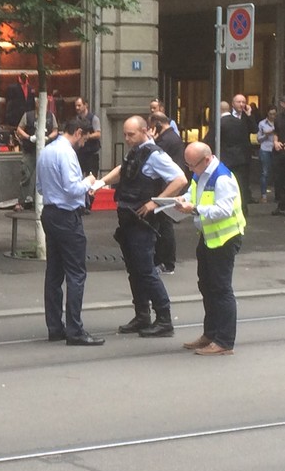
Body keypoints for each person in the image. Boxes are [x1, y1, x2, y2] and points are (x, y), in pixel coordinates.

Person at [100, 116, 188, 338]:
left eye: (131, 134)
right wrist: (101, 183)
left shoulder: (155, 154)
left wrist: (155, 201)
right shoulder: (136, 151)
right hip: (129, 220)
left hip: (143, 222)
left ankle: (164, 319)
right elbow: (123, 170)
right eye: (125, 134)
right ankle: (142, 316)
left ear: (145, 131)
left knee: (146, 270)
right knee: (134, 271)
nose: (127, 139)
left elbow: (180, 179)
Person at [35, 117, 104, 346]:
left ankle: (55, 327)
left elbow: (39, 187)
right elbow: (73, 188)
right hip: (66, 216)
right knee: (76, 274)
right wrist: (89, 182)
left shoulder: (46, 151)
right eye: (84, 137)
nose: (84, 142)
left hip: (50, 213)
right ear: (78, 132)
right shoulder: (66, 153)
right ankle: (75, 330)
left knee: (54, 273)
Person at [174, 142, 246, 355]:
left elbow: (223, 210)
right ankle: (211, 334)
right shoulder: (201, 173)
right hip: (208, 237)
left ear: (206, 159)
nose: (189, 169)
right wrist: (183, 200)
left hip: (225, 239)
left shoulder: (222, 178)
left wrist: (194, 208)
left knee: (221, 289)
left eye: (191, 165)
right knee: (206, 286)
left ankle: (224, 341)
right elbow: (193, 193)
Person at [149, 110, 186, 275]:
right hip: (168, 185)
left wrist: (151, 140)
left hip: (167, 187)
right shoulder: (170, 137)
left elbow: (153, 154)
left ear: (157, 124)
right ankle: (164, 260)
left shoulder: (166, 140)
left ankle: (167, 262)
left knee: (165, 225)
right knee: (163, 224)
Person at [203, 95, 253, 215]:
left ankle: (228, 206)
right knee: (240, 184)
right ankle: (242, 208)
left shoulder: (219, 123)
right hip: (240, 158)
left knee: (225, 184)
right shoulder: (239, 122)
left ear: (219, 111)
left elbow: (209, 140)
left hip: (225, 158)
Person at [14, 105, 57, 210]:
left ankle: (44, 202)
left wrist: (48, 137)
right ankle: (21, 202)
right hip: (30, 150)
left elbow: (55, 130)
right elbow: (19, 129)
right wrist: (29, 137)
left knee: (46, 176)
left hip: (46, 150)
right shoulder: (28, 115)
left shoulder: (51, 116)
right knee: (26, 174)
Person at [73, 96, 101, 212]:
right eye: (76, 106)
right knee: (79, 177)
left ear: (86, 105)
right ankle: (81, 204)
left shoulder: (94, 118)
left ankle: (89, 204)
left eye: (79, 105)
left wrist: (87, 136)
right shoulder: (76, 119)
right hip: (80, 153)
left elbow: (98, 134)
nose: (77, 108)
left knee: (91, 177)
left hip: (91, 153)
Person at [256, 106, 277, 204]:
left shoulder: (279, 122)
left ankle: (278, 195)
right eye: (271, 114)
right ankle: (263, 195)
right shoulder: (262, 123)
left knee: (278, 172)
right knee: (265, 173)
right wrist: (267, 134)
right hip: (265, 149)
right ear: (267, 114)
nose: (273, 116)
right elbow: (259, 139)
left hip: (277, 149)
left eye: (274, 114)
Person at [272, 95, 285, 215]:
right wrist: (275, 142)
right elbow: (276, 132)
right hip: (280, 151)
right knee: (280, 179)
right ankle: (281, 205)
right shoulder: (279, 118)